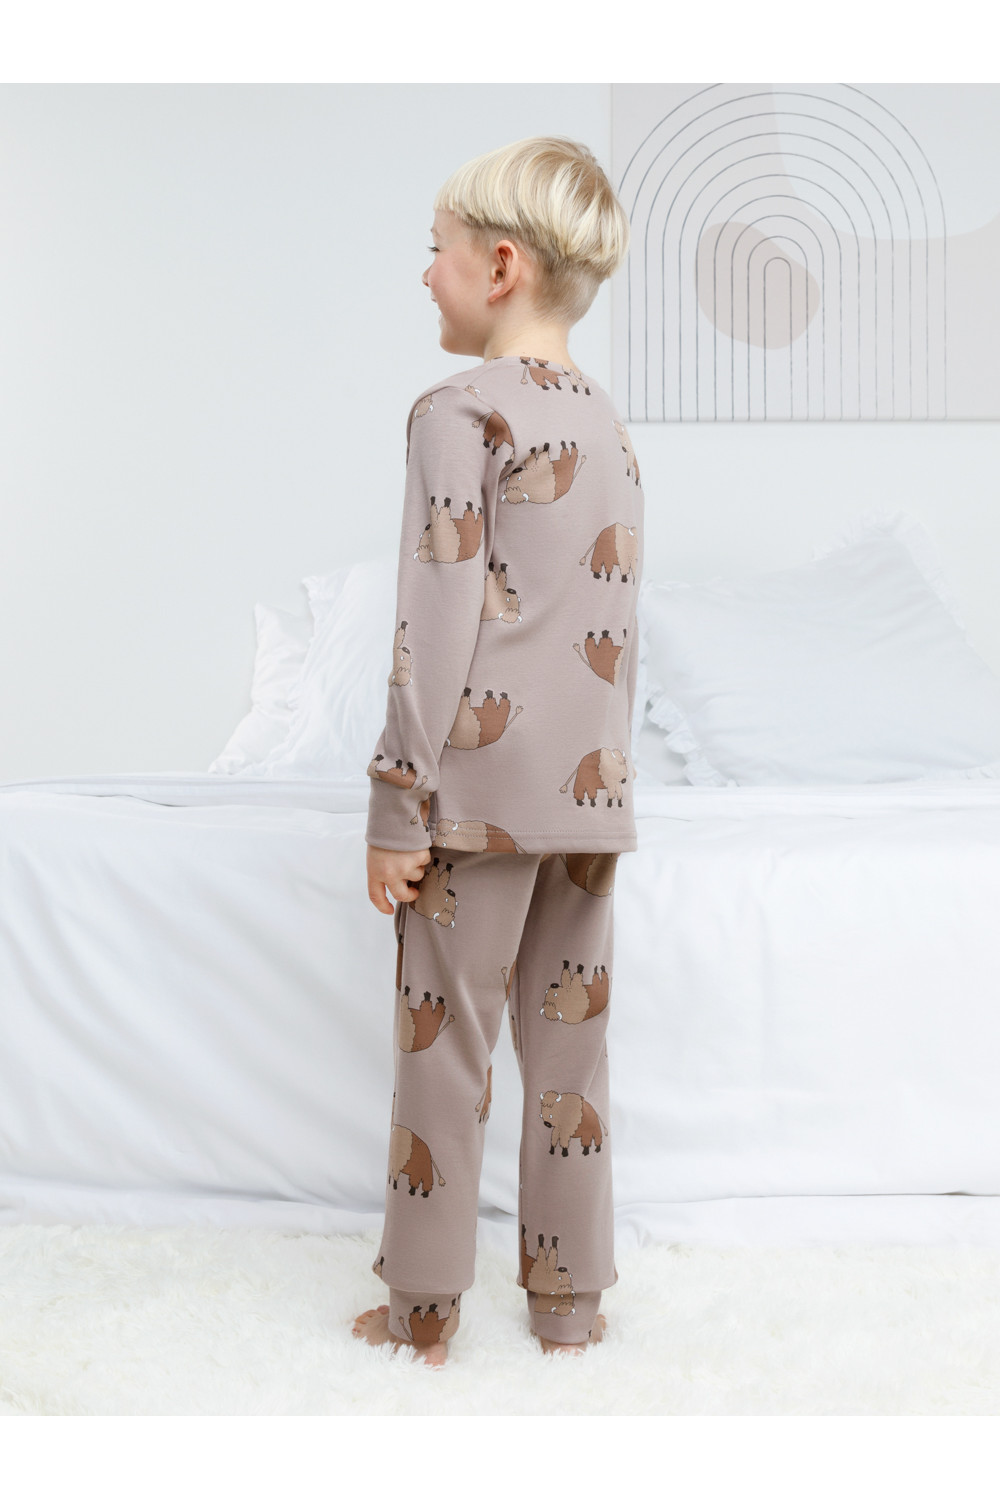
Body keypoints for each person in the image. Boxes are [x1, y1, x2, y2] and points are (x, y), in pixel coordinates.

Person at [351, 136, 644, 1368]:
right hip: (589, 802)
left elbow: (432, 622)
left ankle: (421, 1314)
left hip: (474, 798)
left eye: (438, 249)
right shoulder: (606, 423)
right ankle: (569, 1311)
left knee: (447, 1051)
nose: (425, 273)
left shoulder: (458, 410)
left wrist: (395, 805)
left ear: (502, 265)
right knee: (571, 1064)